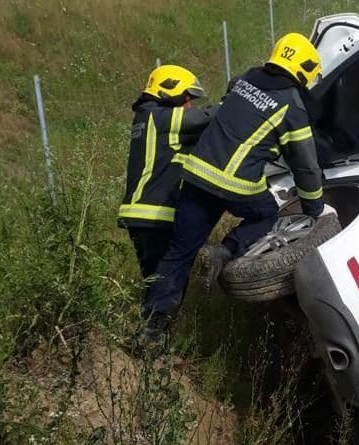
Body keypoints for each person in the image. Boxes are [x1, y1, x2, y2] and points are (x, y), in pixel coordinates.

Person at [139, 33, 334, 346]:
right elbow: (305, 165)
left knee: (178, 253)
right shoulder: (292, 106)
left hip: (197, 176)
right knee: (266, 213)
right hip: (236, 184)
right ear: (303, 69)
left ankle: (152, 329)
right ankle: (225, 251)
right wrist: (313, 207)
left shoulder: (245, 80)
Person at [118, 65, 214, 304]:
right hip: (153, 215)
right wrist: (237, 100)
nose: (189, 105)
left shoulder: (147, 117)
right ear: (169, 91)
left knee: (158, 281)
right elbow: (206, 118)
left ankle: (153, 323)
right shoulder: (158, 116)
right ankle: (156, 326)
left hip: (142, 215)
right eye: (186, 99)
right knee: (167, 284)